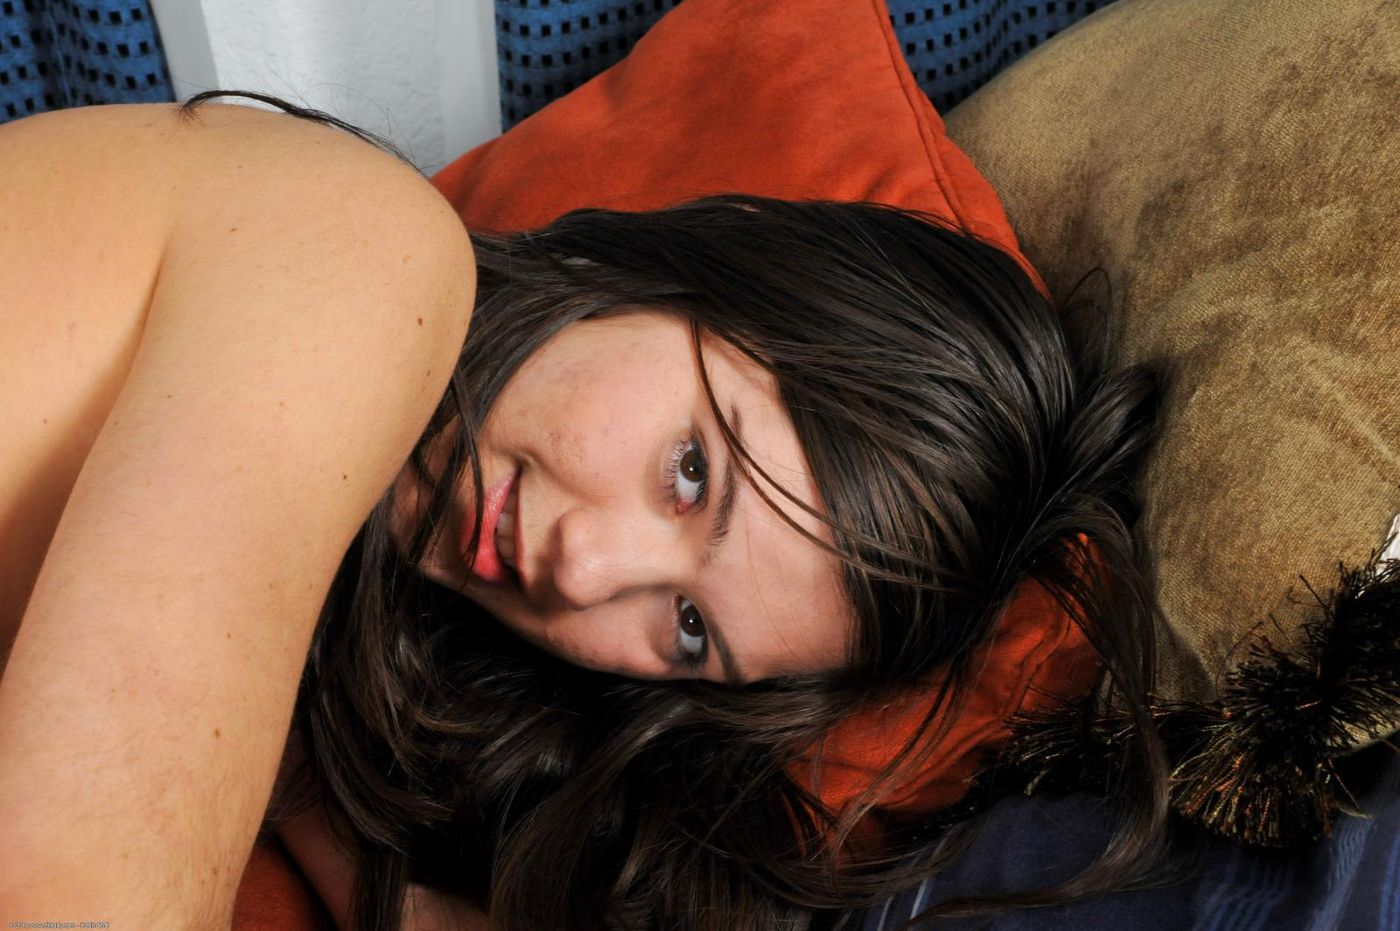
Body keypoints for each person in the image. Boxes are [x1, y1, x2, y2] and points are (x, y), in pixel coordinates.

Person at [0, 92, 1168, 931]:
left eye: (688, 629)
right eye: (690, 473)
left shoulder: (322, 596)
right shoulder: (369, 252)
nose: (583, 568)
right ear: (693, 279)